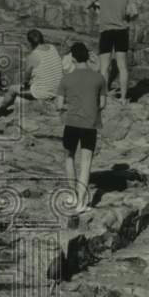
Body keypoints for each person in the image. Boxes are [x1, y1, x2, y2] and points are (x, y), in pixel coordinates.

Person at [57, 42, 107, 214]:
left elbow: (59, 105)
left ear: (72, 58)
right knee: (86, 164)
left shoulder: (66, 79)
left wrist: (69, 108)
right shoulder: (99, 78)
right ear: (88, 56)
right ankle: (82, 202)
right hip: (90, 124)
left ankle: (72, 196)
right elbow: (102, 104)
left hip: (71, 123)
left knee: (69, 157)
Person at [84, 0, 137, 104]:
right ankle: (124, 98)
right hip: (122, 30)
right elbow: (132, 11)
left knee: (104, 67)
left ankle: (103, 97)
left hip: (106, 30)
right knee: (122, 66)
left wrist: (97, 6)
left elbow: (86, 4)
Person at [0, 29, 64, 111]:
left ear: (30, 43)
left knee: (12, 89)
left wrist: (25, 85)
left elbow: (25, 80)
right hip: (58, 89)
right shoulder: (52, 48)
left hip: (44, 93)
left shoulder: (33, 56)